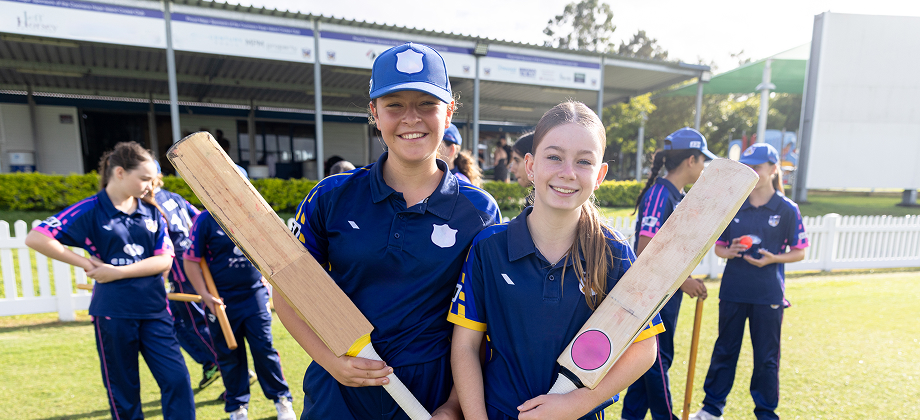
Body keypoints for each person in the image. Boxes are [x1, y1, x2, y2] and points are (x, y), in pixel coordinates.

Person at [275, 42, 501, 420]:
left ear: (448, 115)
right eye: (394, 104)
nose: (411, 118)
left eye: (427, 104)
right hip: (339, 392)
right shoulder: (331, 196)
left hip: (428, 392)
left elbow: (480, 323)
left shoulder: (478, 210)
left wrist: (452, 406)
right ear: (374, 114)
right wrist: (332, 362)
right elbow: (287, 294)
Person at [449, 101, 663, 420]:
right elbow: (466, 347)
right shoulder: (489, 247)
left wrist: (575, 404)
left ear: (601, 174)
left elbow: (644, 348)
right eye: (554, 157)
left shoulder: (614, 252)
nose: (567, 173)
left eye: (584, 161)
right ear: (531, 165)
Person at [25, 141, 196, 420]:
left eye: (152, 179)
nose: (149, 185)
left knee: (177, 380)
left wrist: (118, 272)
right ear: (119, 173)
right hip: (113, 313)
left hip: (155, 310)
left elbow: (165, 260)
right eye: (143, 178)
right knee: (123, 390)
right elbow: (37, 237)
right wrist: (84, 263)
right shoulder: (90, 209)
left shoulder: (152, 210)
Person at [690, 143, 808, 420]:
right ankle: (711, 409)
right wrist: (727, 251)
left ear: (773, 169)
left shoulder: (787, 209)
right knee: (724, 350)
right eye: (748, 166)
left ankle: (766, 413)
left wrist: (773, 259)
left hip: (768, 295)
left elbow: (800, 251)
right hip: (733, 290)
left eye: (758, 167)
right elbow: (719, 246)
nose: (752, 171)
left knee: (767, 359)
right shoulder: (734, 205)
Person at [621, 127, 715, 420]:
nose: (704, 167)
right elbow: (645, 249)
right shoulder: (661, 194)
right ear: (691, 159)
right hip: (651, 296)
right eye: (703, 160)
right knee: (657, 361)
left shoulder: (677, 195)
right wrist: (684, 282)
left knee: (649, 362)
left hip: (666, 294)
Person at [183, 210, 295, 420]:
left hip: (254, 295)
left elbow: (274, 249)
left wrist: (269, 275)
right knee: (228, 355)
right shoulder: (206, 219)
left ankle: (282, 400)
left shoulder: (256, 214)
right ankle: (237, 407)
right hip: (220, 300)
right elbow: (190, 260)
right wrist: (205, 295)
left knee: (263, 348)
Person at [153, 166, 222, 390]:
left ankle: (226, 365)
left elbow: (162, 242)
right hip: (188, 263)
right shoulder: (175, 198)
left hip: (182, 268)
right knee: (176, 322)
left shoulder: (151, 204)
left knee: (194, 323)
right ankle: (213, 363)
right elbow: (199, 219)